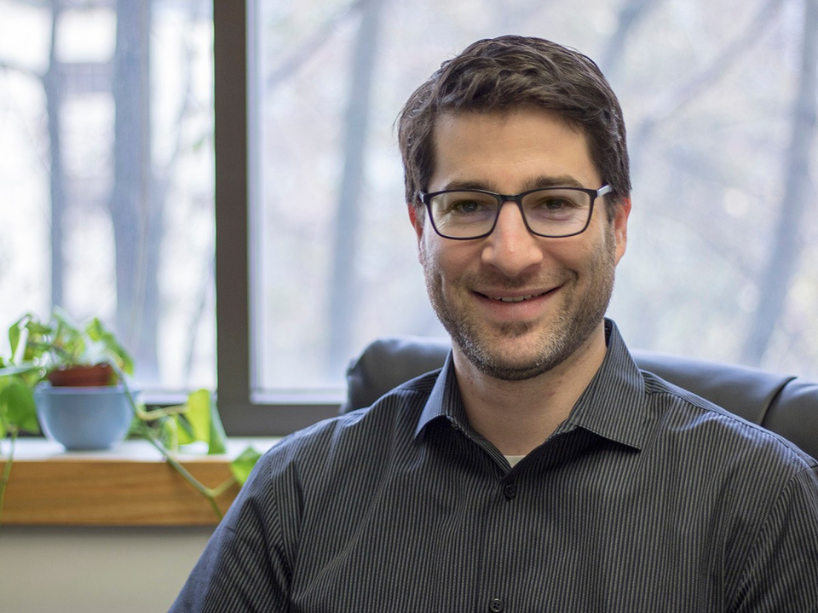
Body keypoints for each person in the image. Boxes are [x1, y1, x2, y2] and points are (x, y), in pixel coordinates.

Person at [170, 36, 818, 612]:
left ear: (617, 225)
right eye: (469, 204)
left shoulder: (766, 503)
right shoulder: (297, 494)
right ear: (421, 227)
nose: (511, 253)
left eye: (555, 203)